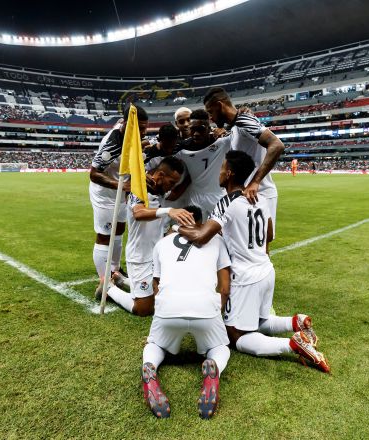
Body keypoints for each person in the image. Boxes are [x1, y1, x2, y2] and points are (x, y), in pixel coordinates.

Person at [179, 151, 330, 373]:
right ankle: (296, 322)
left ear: (229, 173)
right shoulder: (260, 197)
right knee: (259, 320)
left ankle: (293, 344)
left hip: (245, 277)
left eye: (221, 168)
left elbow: (202, 237)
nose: (219, 173)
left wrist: (178, 228)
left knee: (236, 335)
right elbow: (269, 232)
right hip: (266, 270)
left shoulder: (226, 203)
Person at [141, 205, 232, 419]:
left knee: (155, 345)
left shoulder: (162, 244)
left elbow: (157, 285)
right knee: (220, 348)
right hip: (206, 309)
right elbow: (225, 287)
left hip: (168, 310)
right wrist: (216, 311)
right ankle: (214, 367)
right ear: (202, 222)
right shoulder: (217, 240)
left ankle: (149, 365)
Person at [101, 156, 195, 317]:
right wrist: (169, 211)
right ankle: (107, 288)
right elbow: (138, 213)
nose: (171, 187)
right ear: (160, 175)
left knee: (163, 299)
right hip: (140, 257)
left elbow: (176, 191)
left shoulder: (160, 191)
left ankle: (121, 280)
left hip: (156, 256)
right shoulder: (139, 188)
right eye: (171, 182)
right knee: (144, 309)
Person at [203, 87, 285, 241]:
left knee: (261, 244)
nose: (211, 118)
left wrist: (255, 182)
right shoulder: (236, 126)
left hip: (259, 193)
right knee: (241, 243)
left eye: (211, 112)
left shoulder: (244, 121)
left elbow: (277, 145)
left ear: (220, 105)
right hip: (244, 194)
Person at [88, 105, 148, 286]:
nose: (144, 133)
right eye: (141, 128)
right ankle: (104, 280)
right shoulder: (113, 145)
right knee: (105, 235)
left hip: (121, 193)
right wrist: (123, 185)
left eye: (146, 128)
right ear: (127, 125)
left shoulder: (127, 131)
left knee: (119, 230)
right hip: (105, 195)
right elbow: (94, 174)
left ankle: (114, 269)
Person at [170, 109, 230, 215]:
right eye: (193, 129)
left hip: (219, 196)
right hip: (195, 198)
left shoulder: (222, 142)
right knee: (195, 230)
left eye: (201, 129)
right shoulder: (182, 148)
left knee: (224, 230)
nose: (196, 134)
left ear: (209, 128)